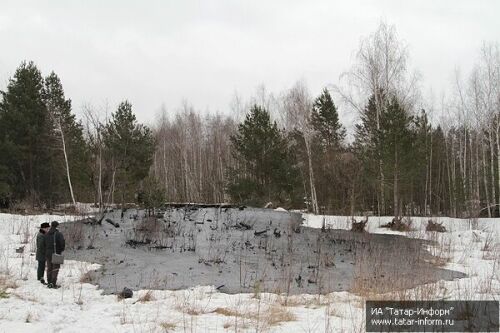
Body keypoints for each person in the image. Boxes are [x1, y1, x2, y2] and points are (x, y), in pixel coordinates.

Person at [44, 221, 65, 289]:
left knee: (49, 268)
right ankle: (53, 283)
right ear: (57, 226)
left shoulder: (46, 234)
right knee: (55, 268)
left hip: (47, 253)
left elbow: (44, 244)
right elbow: (62, 243)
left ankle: (49, 282)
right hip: (56, 253)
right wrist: (61, 250)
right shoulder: (59, 234)